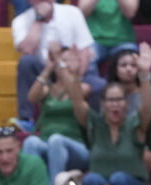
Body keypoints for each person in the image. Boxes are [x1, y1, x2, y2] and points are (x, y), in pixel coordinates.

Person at [73, 43, 151, 185]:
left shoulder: (135, 124)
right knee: (90, 180)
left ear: (127, 103)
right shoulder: (95, 124)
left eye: (119, 100)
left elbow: (147, 109)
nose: (115, 104)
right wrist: (73, 75)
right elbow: (78, 103)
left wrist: (144, 75)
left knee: (119, 179)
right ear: (102, 104)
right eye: (110, 100)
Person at [11, 0, 102, 129]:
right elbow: (28, 49)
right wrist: (39, 19)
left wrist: (75, 77)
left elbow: (83, 51)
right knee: (26, 62)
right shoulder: (20, 21)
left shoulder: (72, 12)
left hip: (74, 72)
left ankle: (95, 126)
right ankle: (26, 119)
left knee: (100, 85)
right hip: (45, 74)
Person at [20, 45, 92, 185]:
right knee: (31, 142)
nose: (64, 63)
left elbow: (75, 95)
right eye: (62, 60)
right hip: (48, 144)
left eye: (69, 60)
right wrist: (48, 69)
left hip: (76, 147)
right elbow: (31, 98)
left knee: (56, 140)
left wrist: (59, 62)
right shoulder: (48, 89)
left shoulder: (82, 87)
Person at [79, 0, 139, 65]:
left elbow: (130, 13)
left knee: (129, 61)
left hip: (123, 41)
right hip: (94, 40)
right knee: (85, 59)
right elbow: (81, 13)